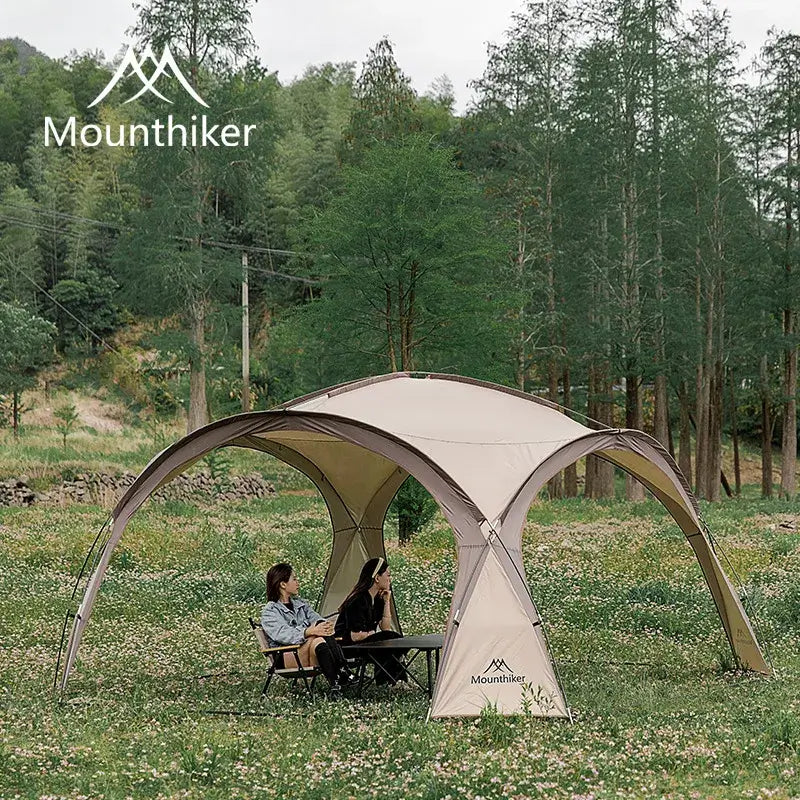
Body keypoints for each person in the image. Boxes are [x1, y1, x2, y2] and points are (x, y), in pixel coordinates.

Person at [261, 562, 356, 694]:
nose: (297, 582)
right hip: (286, 654)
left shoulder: (301, 605)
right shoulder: (270, 611)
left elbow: (317, 619)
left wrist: (324, 626)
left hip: (308, 649)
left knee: (318, 636)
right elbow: (283, 634)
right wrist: (308, 632)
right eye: (294, 579)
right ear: (283, 584)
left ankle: (336, 683)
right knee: (315, 637)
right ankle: (342, 671)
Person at [335, 557, 407, 685]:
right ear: (377, 578)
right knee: (388, 638)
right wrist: (373, 635)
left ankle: (390, 680)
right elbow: (356, 635)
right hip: (347, 646)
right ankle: (389, 680)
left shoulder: (377, 599)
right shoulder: (358, 600)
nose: (389, 579)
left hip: (365, 642)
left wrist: (386, 601)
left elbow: (385, 627)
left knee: (391, 639)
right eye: (387, 575)